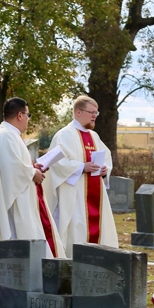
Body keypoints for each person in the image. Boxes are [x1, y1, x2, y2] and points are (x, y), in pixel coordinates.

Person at [0, 98, 65, 258]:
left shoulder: (10, 134)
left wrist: (33, 168)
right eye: (28, 115)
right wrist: (32, 173)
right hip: (18, 201)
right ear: (20, 115)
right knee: (23, 236)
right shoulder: (7, 135)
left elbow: (16, 165)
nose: (28, 120)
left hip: (24, 196)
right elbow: (11, 168)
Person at [44, 95, 118, 258]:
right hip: (74, 195)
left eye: (96, 113)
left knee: (96, 231)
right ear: (78, 112)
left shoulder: (94, 136)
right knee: (77, 230)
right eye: (91, 112)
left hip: (95, 194)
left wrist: (105, 170)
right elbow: (56, 163)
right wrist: (81, 167)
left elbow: (106, 156)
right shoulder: (64, 135)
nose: (94, 116)